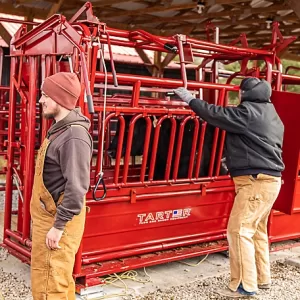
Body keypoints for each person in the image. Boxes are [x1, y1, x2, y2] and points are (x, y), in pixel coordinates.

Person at [173, 77, 284, 298]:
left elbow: (216, 114)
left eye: (241, 92)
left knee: (239, 230)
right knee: (257, 231)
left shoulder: (248, 114)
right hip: (269, 182)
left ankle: (244, 285)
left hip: (255, 182)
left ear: (246, 94)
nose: (239, 96)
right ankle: (262, 279)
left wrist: (190, 100)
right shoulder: (272, 115)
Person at [30, 72, 93, 299]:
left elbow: (77, 187)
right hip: (50, 218)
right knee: (55, 280)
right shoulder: (60, 129)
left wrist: (58, 226)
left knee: (50, 286)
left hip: (56, 223)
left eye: (46, 95)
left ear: (60, 98)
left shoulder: (73, 135)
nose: (41, 100)